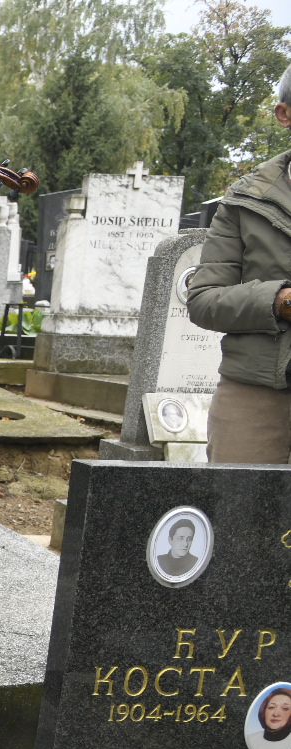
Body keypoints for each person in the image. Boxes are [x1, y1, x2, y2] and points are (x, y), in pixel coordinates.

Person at [188, 63, 291, 464]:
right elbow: (204, 299)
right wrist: (280, 300)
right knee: (239, 520)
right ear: (284, 114)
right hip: (257, 396)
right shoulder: (244, 201)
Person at [246, 685, 291, 749]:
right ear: (263, 710)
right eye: (271, 707)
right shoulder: (251, 739)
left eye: (285, 709)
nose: (276, 714)